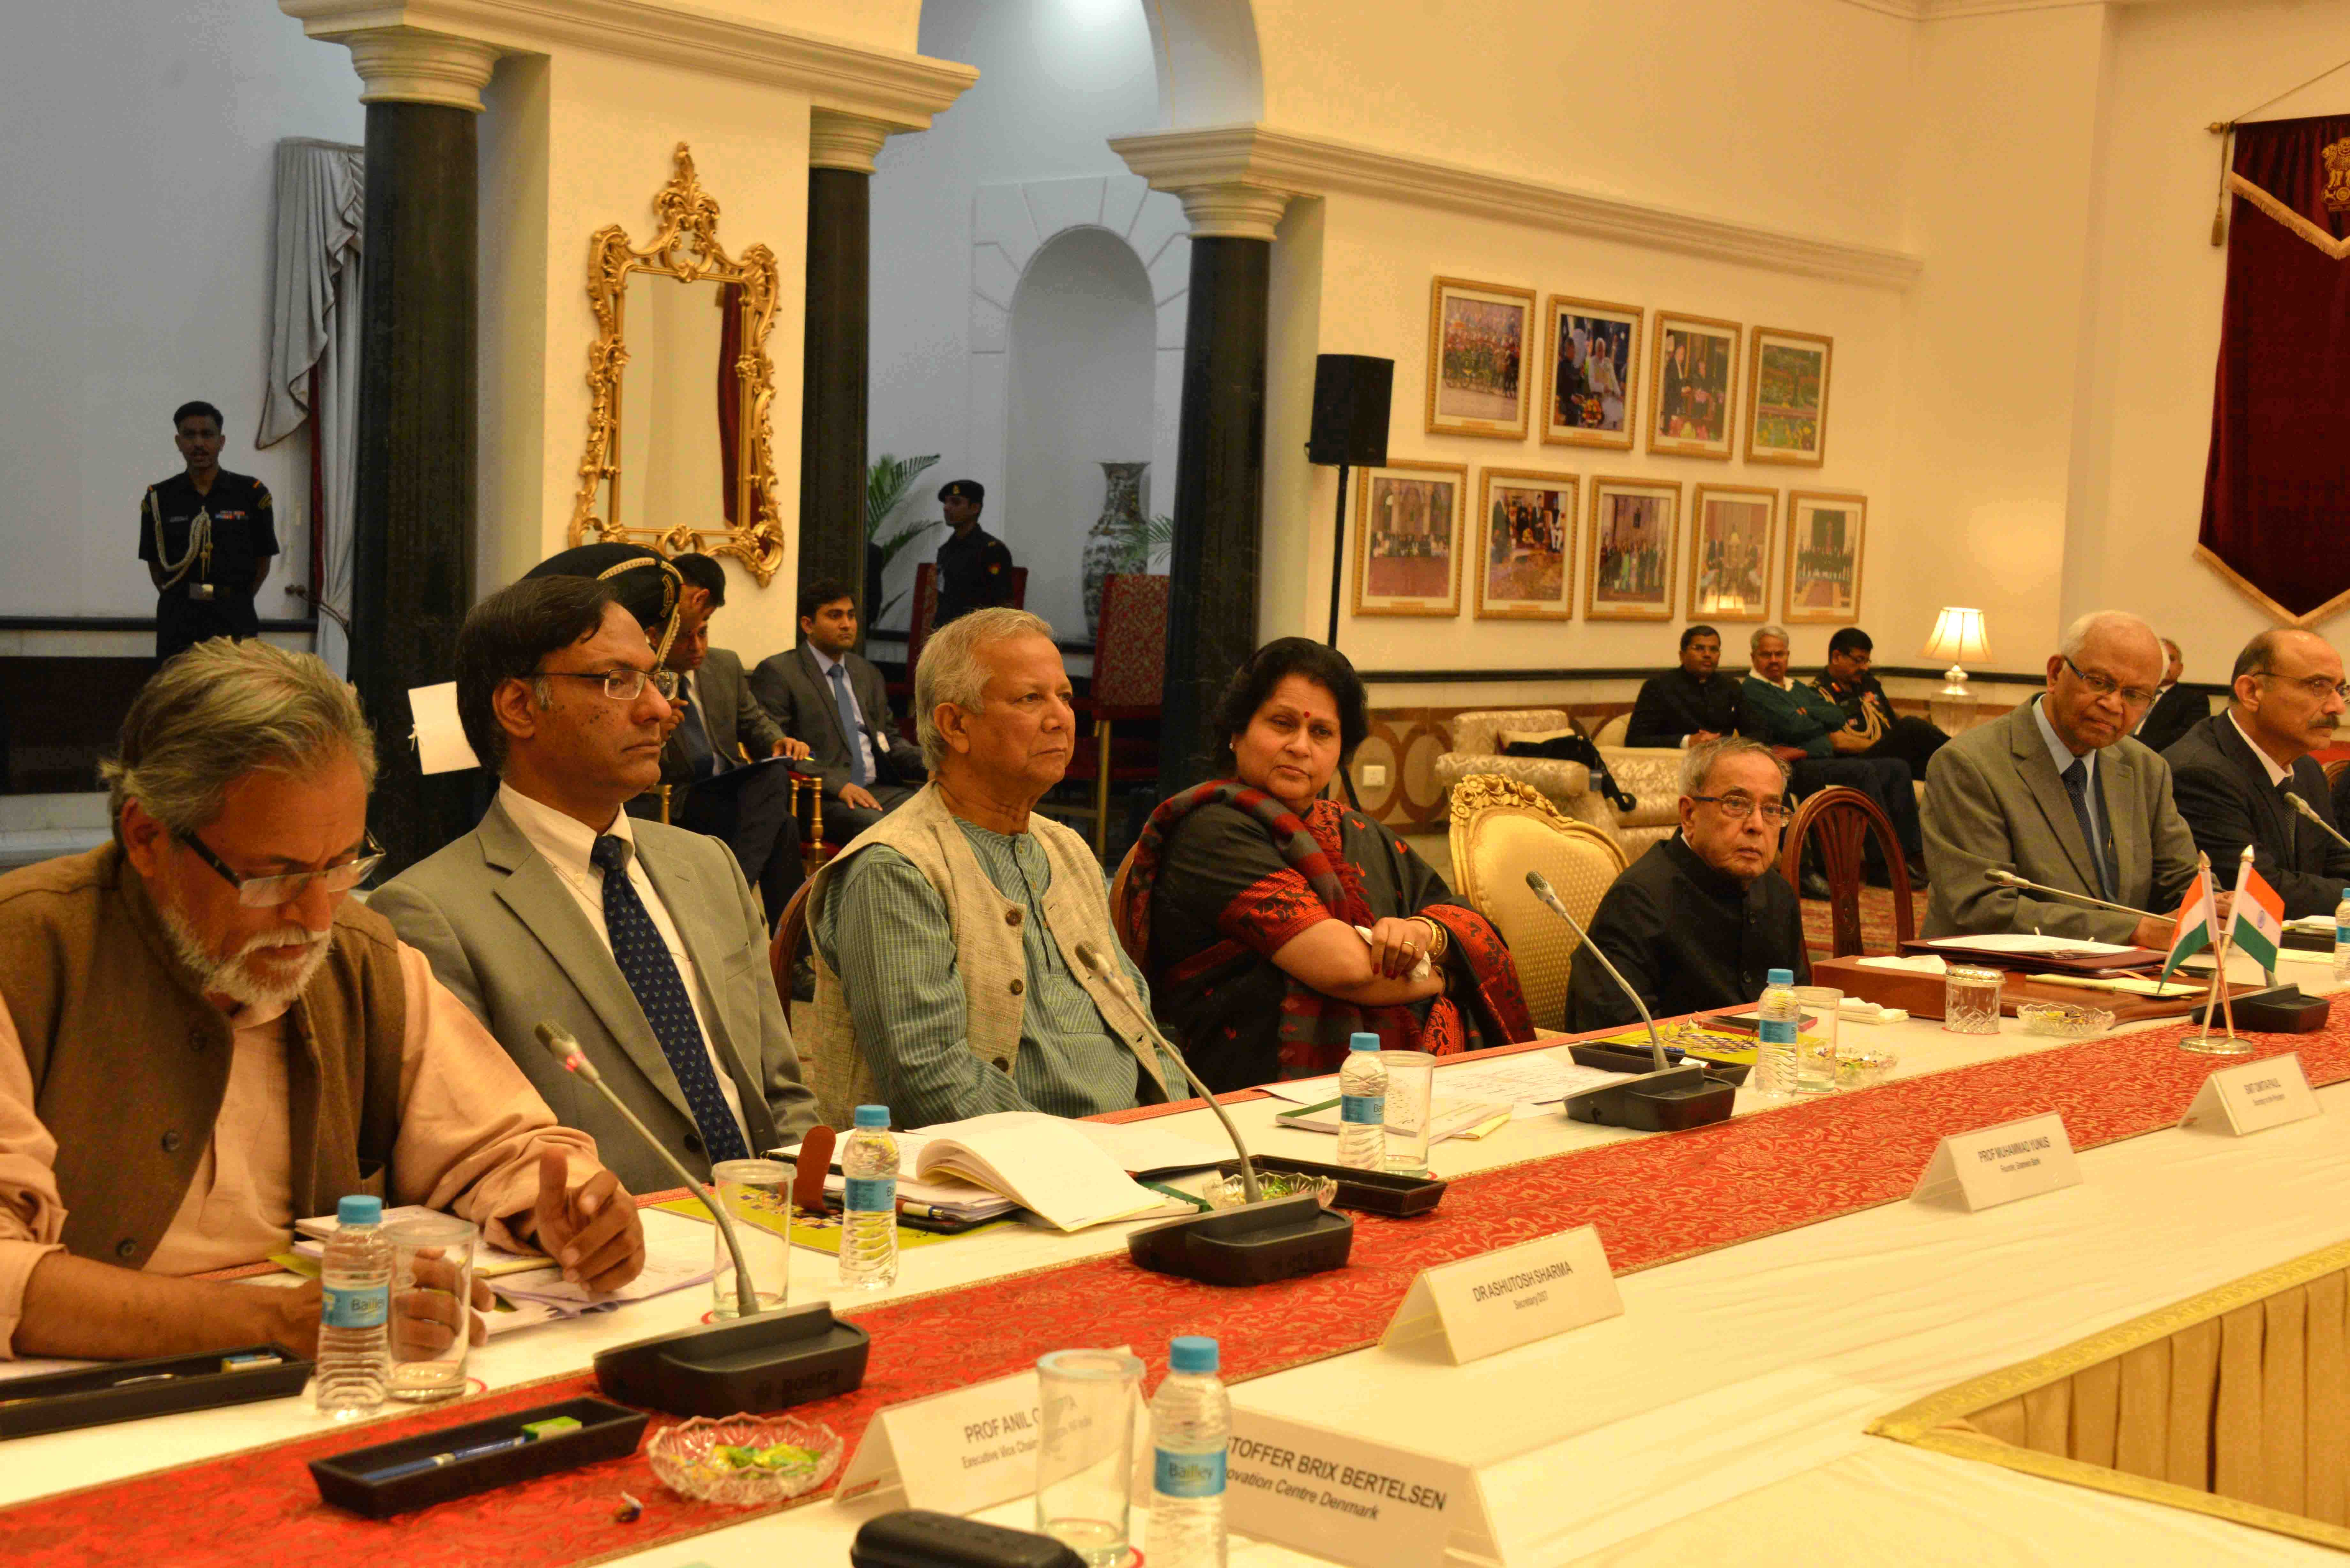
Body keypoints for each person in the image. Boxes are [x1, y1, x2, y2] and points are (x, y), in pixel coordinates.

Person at [0, 639, 645, 1363]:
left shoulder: (361, 960)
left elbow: (505, 1145)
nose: (314, 917)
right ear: (148, 837)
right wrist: (269, 1318)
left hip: (320, 1388)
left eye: (342, 865)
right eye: (274, 876)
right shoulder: (25, 954)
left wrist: (575, 1210)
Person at [373, 576, 817, 1192]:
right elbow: (477, 1153)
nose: (660, 710)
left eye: (654, 679)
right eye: (615, 681)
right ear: (519, 707)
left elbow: (780, 1090)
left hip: (777, 1229)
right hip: (605, 1253)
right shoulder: (433, 913)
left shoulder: (708, 865)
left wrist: (814, 1195)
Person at [802, 608, 1184, 1128]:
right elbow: (930, 1078)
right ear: (955, 724)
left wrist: (1181, 1129)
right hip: (996, 1181)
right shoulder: (895, 868)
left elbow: (1139, 1022)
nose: (1061, 719)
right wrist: (1088, 1162)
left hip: (1132, 1154)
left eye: (1065, 697)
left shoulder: (1067, 848)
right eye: (1031, 699)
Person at [1120, 640, 1535, 1092]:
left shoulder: (1358, 833)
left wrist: (1423, 933)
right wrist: (1451, 976)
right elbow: (1351, 970)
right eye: (1281, 724)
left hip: (1397, 1083)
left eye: (1322, 733)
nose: (1301, 747)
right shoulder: (1212, 832)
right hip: (1257, 1095)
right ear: (1236, 733)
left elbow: (1473, 927)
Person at [1922, 610, 2203, 945]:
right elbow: (1981, 908)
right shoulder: (1969, 764)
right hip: (1990, 978)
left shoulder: (2146, 768)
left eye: (2134, 695)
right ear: (2055, 673)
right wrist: (2131, 931)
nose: (2114, 704)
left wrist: (2214, 908)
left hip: (2122, 979)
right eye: (2100, 682)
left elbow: (2182, 880)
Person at [1565, 737, 1809, 1030]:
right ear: (1689, 815)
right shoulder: (1637, 901)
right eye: (1736, 804)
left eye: (1771, 809)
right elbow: (1620, 1039)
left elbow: (1797, 1009)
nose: (1757, 825)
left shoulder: (1777, 892)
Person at [633, 552, 811, 921]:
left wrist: (779, 742)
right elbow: (644, 762)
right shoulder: (647, 679)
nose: (697, 646)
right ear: (658, 636)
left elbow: (756, 724)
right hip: (681, 797)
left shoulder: (725, 665)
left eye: (704, 633)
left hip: (728, 787)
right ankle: (775, 934)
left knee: (777, 784)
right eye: (686, 638)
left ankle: (757, 919)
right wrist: (661, 733)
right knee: (783, 823)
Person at [2163, 629, 2350, 919]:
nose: (2337, 707)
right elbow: (2259, 890)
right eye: (2318, 686)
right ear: (2251, 692)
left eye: (2340, 690)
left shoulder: (2305, 768)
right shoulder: (2199, 773)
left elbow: (2339, 862)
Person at [749, 577, 927, 842]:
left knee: (936, 818)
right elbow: (778, 751)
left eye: (851, 616)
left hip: (879, 789)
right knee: (882, 830)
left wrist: (934, 762)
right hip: (821, 796)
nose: (847, 625)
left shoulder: (867, 674)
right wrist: (837, 784)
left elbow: (891, 742)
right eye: (835, 616)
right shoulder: (779, 673)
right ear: (808, 624)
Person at [1742, 625, 1926, 880]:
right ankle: (1881, 865)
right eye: (1767, 655)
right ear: (1754, 658)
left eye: (1780, 654)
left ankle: (1908, 855)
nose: (1774, 661)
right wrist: (1812, 718)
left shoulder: (1796, 687)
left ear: (1788, 656)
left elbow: (1837, 715)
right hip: (1794, 765)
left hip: (1822, 760)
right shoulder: (1752, 689)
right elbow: (1794, 727)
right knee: (1863, 770)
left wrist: (1810, 714)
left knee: (1896, 767)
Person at [140, 400, 278, 663]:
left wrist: (234, 599)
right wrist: (184, 598)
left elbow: (263, 560)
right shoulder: (159, 499)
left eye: (208, 435)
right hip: (180, 618)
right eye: (190, 435)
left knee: (233, 698)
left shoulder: (251, 494)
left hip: (234, 617)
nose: (199, 443)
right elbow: (155, 565)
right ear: (179, 442)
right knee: (180, 697)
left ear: (222, 441)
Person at [1814, 628, 1948, 773]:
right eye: (1859, 661)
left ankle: (1963, 756)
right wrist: (1886, 745)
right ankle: (1965, 752)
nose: (1865, 668)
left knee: (1938, 765)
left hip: (1888, 756)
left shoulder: (1868, 684)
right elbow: (1837, 741)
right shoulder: (1818, 693)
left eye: (1867, 661)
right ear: (1836, 657)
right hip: (1857, 762)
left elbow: (1892, 721)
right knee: (1911, 725)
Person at [1625, 625, 1749, 748]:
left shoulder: (1731, 686)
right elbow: (1635, 740)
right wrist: (1687, 741)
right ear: (1682, 655)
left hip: (1721, 759)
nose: (1707, 655)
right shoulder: (1658, 686)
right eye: (1699, 648)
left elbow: (1750, 732)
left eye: (1714, 649)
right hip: (1674, 761)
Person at [933, 479, 1016, 628]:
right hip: (947, 636)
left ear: (975, 508)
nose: (947, 508)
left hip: (979, 636)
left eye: (955, 503)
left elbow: (1003, 605)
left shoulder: (992, 550)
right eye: (946, 503)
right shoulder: (945, 551)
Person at [2135, 638, 2203, 754]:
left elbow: (2187, 737)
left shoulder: (2193, 700)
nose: (2165, 664)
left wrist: (2134, 746)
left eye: (2171, 659)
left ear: (2180, 669)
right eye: (2160, 659)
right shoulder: (2131, 692)